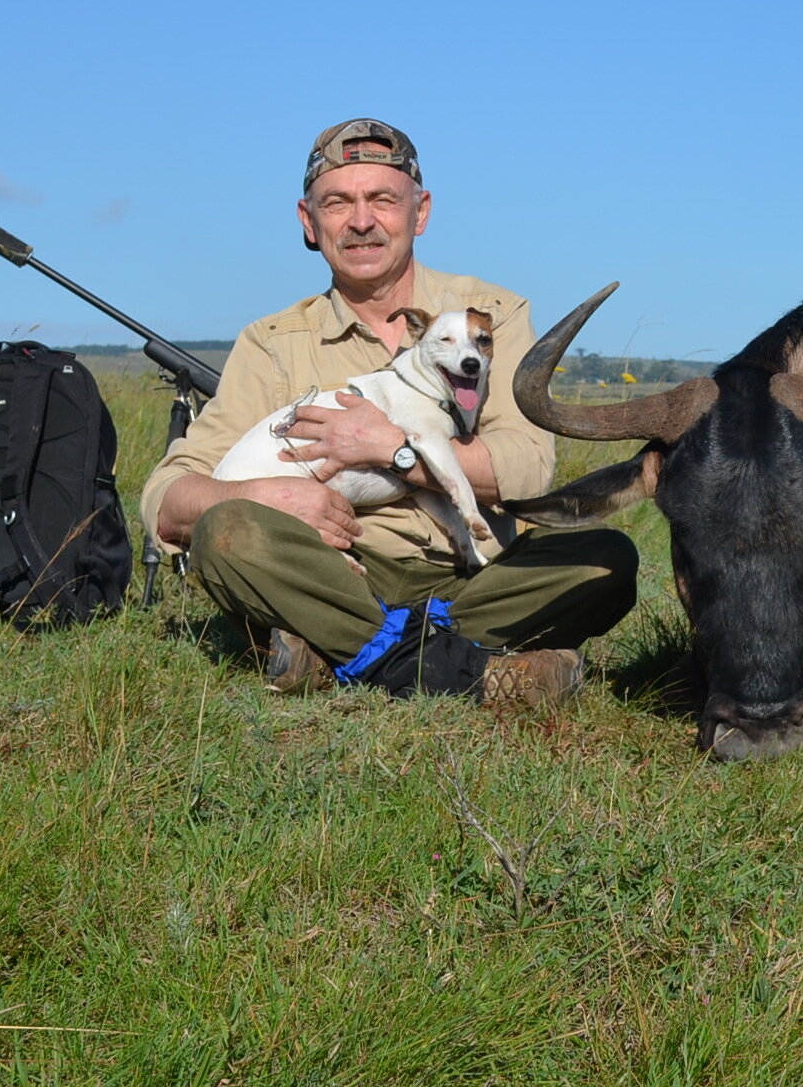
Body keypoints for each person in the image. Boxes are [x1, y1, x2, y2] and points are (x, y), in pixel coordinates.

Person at [143, 118, 636, 704]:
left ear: (420, 212)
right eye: (337, 202)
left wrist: (393, 452)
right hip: (339, 573)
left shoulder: (492, 316)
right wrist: (264, 497)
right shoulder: (270, 342)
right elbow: (166, 499)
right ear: (308, 221)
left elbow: (528, 468)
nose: (360, 221)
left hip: (475, 573)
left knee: (606, 560)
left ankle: (342, 651)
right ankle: (471, 671)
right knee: (226, 534)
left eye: (382, 199)